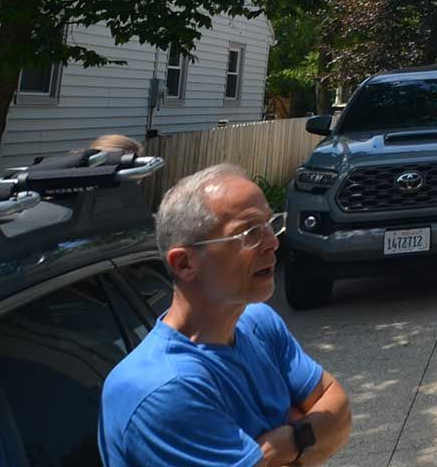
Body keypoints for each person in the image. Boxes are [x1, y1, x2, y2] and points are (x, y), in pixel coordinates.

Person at [100, 164, 352, 466]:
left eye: (270, 224)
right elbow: (325, 420)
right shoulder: (164, 388)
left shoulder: (259, 322)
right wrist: (305, 426)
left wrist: (290, 440)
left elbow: (339, 409)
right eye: (249, 233)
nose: (273, 243)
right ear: (184, 264)